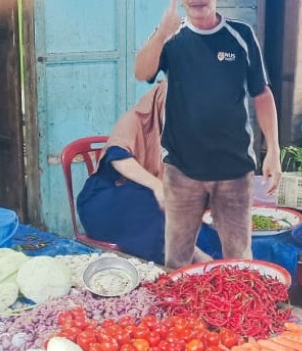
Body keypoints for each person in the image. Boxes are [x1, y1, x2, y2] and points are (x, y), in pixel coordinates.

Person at [133, 0, 282, 269]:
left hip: (234, 171)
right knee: (177, 260)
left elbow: (262, 93)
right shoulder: (170, 38)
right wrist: (162, 33)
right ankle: (181, 319)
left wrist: (273, 150)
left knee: (239, 261)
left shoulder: (240, 36)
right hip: (182, 171)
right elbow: (142, 73)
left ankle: (235, 318)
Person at [76, 82, 210, 264]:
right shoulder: (132, 120)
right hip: (106, 201)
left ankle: (197, 255)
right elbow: (118, 157)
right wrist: (157, 186)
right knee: (147, 202)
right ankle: (190, 255)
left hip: (144, 199)